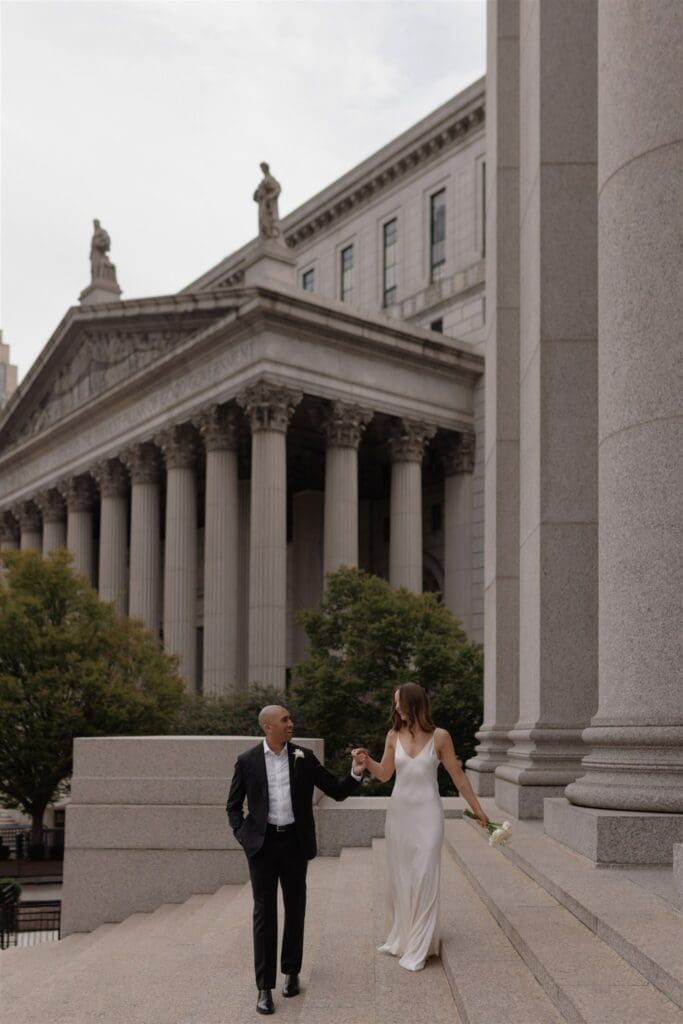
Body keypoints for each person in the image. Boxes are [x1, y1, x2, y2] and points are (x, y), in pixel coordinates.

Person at [226, 704, 365, 1015]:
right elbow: (233, 806)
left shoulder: (303, 757)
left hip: (294, 843)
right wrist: (245, 836)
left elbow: (336, 790)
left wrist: (356, 771)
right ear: (268, 727)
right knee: (264, 913)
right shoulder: (247, 761)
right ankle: (264, 987)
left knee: (295, 906)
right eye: (284, 720)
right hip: (262, 846)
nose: (291, 724)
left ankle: (291, 971)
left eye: (290, 719)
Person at [353, 683, 488, 971]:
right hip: (399, 814)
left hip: (428, 815)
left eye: (400, 703)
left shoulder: (440, 737)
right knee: (403, 877)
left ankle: (421, 946)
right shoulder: (393, 735)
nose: (397, 708)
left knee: (426, 874)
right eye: (395, 703)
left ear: (415, 704)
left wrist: (478, 809)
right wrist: (367, 761)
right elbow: (385, 774)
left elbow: (458, 777)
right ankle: (405, 937)